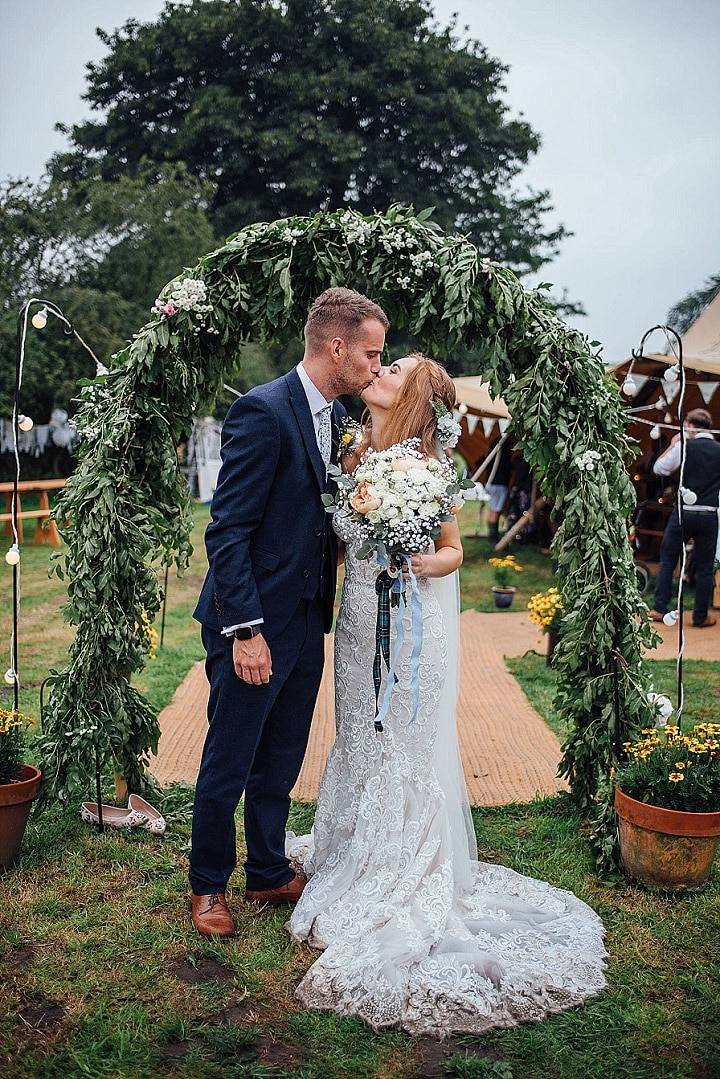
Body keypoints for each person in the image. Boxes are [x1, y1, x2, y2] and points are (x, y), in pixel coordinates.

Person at [286, 353, 607, 1037]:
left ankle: (403, 869)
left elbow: (454, 548)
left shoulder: (427, 467)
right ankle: (351, 849)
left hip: (409, 626)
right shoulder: (356, 452)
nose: (378, 369)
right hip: (358, 621)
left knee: (401, 740)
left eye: (392, 368)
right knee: (360, 735)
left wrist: (430, 559)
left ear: (415, 398)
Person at [189, 287, 389, 938]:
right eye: (370, 353)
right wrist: (244, 630)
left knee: (281, 756)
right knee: (231, 755)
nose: (374, 366)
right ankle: (209, 883)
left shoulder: (333, 418)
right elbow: (227, 530)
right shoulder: (262, 410)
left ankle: (269, 867)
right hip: (251, 623)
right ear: (337, 347)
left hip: (306, 619)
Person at [649, 407, 720, 628]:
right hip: (709, 513)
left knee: (669, 557)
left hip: (684, 513)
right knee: (706, 566)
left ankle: (660, 608)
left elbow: (659, 468)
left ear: (690, 426)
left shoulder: (684, 445)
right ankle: (700, 617)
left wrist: (672, 445)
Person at [480, 434, 512, 542]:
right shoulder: (503, 447)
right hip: (498, 483)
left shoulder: (495, 445)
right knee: (495, 510)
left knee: (494, 509)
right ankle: (493, 538)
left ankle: (493, 536)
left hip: (492, 482)